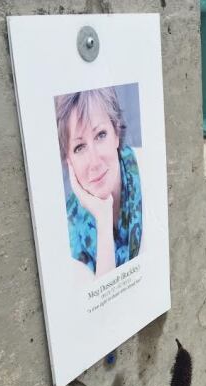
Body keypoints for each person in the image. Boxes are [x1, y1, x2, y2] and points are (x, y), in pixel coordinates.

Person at [55, 87, 143, 279]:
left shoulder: (145, 170)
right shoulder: (70, 232)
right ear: (68, 160)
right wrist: (103, 219)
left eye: (100, 135)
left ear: (116, 134)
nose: (94, 162)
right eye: (79, 147)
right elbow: (103, 306)